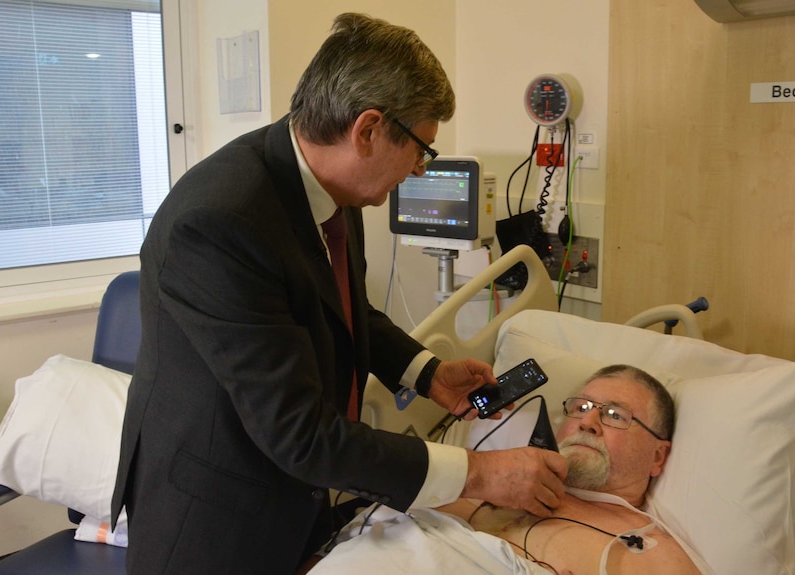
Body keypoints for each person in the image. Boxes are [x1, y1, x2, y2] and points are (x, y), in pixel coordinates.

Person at [110, 12, 567, 575]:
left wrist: (426, 373)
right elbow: (300, 435)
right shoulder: (221, 223)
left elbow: (345, 312)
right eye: (422, 149)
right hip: (214, 517)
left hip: (298, 502)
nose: (420, 168)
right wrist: (480, 473)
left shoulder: (332, 190)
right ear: (369, 130)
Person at [437, 364, 705, 574]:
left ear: (657, 457)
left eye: (615, 415)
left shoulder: (650, 552)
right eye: (581, 407)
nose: (587, 421)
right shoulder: (483, 484)